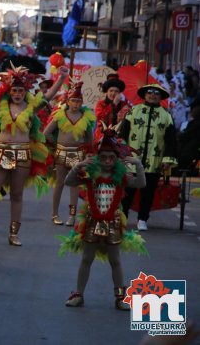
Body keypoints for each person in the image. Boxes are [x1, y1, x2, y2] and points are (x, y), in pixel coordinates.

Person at [0, 65, 65, 246]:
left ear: (25, 91)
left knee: (17, 195)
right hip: (3, 151)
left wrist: (61, 78)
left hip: (22, 153)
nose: (18, 93)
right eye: (14, 90)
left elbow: (48, 96)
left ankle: (13, 235)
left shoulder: (31, 107)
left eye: (21, 90)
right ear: (9, 91)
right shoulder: (0, 104)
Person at [60, 126, 147, 310]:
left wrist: (138, 165)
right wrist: (78, 166)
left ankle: (120, 296)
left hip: (114, 222)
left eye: (111, 158)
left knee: (115, 261)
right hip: (92, 221)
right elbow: (68, 182)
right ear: (98, 157)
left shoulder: (121, 175)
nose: (107, 161)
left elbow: (140, 183)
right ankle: (79, 294)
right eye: (103, 157)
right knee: (86, 259)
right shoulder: (90, 173)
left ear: (117, 159)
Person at [119, 84, 178, 231]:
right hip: (131, 160)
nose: (152, 95)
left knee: (148, 192)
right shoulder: (133, 111)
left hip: (154, 161)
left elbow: (171, 141)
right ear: (144, 95)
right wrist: (121, 153)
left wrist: (167, 160)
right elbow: (123, 134)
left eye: (156, 93)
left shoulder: (166, 116)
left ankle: (142, 219)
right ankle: (122, 218)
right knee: (127, 192)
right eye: (149, 92)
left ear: (160, 97)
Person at [44, 81, 95, 226]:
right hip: (61, 152)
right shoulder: (60, 115)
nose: (75, 104)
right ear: (68, 101)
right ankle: (55, 214)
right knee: (59, 183)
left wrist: (87, 153)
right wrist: (55, 144)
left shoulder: (86, 117)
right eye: (73, 100)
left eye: (78, 101)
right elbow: (46, 132)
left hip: (77, 155)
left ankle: (72, 216)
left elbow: (89, 140)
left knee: (74, 185)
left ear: (82, 103)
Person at [94, 73, 131, 142]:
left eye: (116, 91)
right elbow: (101, 119)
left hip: (119, 137)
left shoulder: (125, 104)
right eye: (111, 91)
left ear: (119, 93)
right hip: (103, 136)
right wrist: (113, 104)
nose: (113, 93)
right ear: (107, 92)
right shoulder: (100, 104)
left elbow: (127, 121)